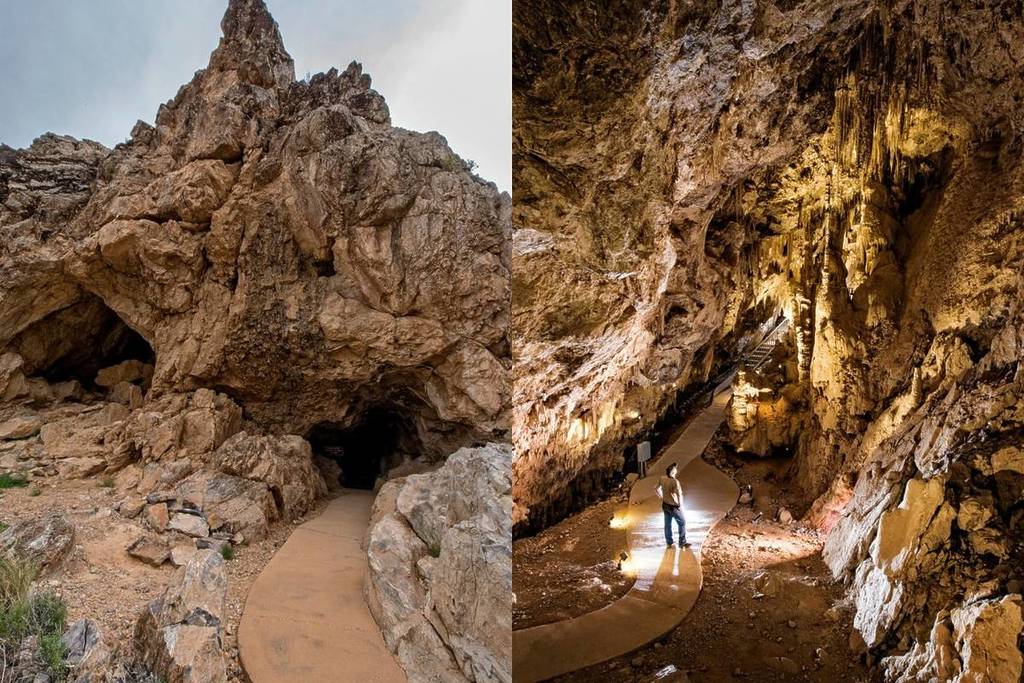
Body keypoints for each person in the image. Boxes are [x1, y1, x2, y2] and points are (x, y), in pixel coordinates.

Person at [656, 463, 690, 548]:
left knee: (667, 524)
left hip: (665, 504)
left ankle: (669, 542)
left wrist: (661, 497)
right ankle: (682, 543)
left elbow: (656, 488)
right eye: (675, 469)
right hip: (673, 507)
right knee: (682, 522)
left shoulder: (662, 478)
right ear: (673, 472)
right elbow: (679, 495)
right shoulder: (675, 482)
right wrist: (680, 505)